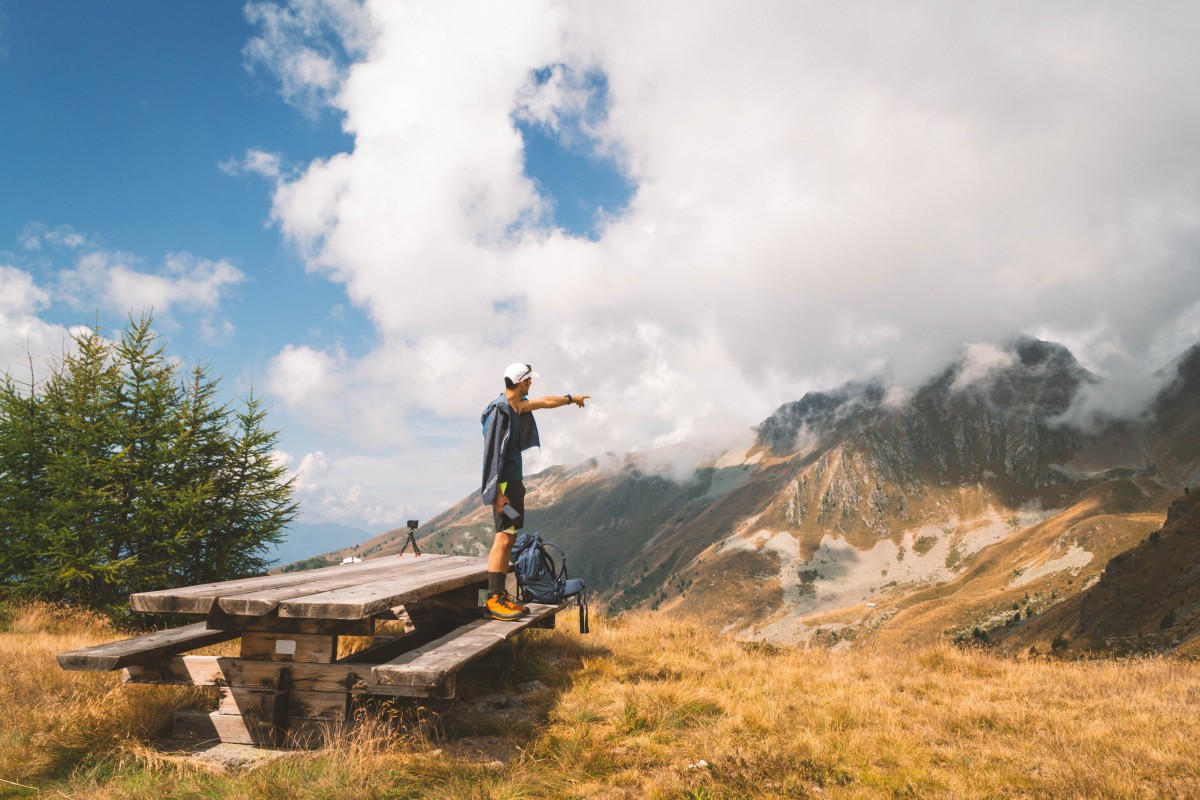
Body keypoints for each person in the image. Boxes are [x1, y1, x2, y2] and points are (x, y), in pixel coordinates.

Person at [480, 363, 589, 620]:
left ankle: (501, 597)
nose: (532, 385)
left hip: (513, 482)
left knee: (510, 537)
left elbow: (544, 402)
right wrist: (495, 493)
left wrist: (571, 399)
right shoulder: (501, 411)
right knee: (503, 538)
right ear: (522, 383)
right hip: (504, 484)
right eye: (529, 381)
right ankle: (494, 599)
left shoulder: (518, 405)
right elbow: (491, 454)